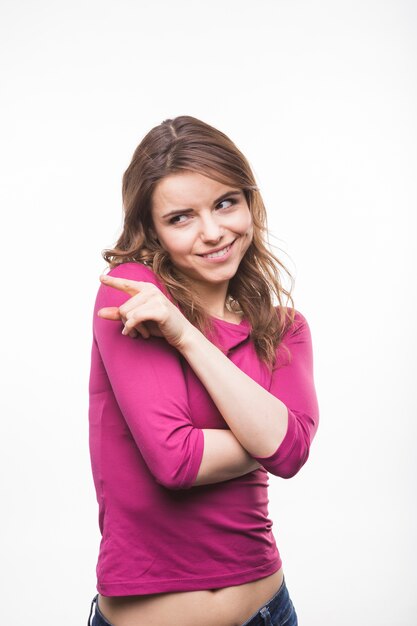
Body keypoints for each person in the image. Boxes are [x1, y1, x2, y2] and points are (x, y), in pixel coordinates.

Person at [87, 115, 319, 626]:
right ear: (152, 229)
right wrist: (267, 433)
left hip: (269, 609)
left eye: (225, 203)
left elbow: (293, 452)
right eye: (181, 217)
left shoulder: (285, 328)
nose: (213, 232)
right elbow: (178, 461)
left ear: (249, 203)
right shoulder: (133, 295)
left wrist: (184, 334)